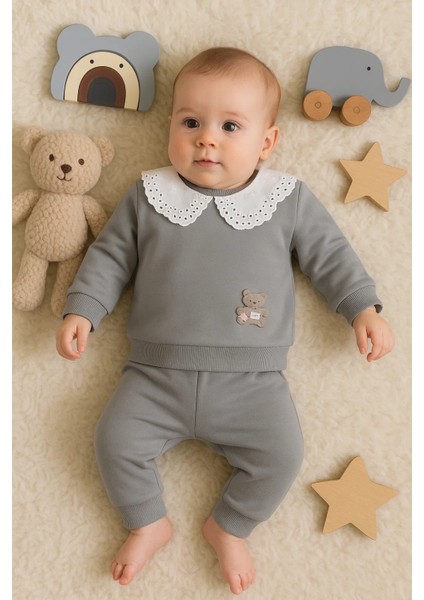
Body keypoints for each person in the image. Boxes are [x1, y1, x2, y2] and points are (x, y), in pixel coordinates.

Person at [56, 47, 394, 595]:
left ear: (267, 142)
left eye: (230, 126)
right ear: (171, 125)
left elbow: (331, 256)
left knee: (282, 455)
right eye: (191, 123)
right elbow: (110, 257)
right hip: (153, 376)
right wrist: (83, 309)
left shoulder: (286, 199)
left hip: (252, 384)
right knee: (113, 442)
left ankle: (230, 526)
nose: (206, 140)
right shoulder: (148, 194)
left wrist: (363, 308)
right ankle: (147, 521)